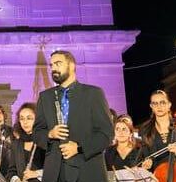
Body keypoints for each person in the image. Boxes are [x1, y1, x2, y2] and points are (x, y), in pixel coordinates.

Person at [32, 50, 114, 182]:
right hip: (56, 172)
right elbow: (36, 133)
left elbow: (106, 134)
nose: (53, 68)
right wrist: (50, 134)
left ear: (72, 65)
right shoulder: (45, 97)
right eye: (51, 65)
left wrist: (79, 148)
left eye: (58, 63)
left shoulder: (93, 93)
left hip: (87, 170)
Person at [138, 90, 176, 171]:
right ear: (151, 106)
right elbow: (144, 157)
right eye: (155, 103)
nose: (159, 106)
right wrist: (146, 164)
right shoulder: (145, 130)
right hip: (156, 176)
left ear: (169, 105)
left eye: (162, 102)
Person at [2, 103, 46, 182]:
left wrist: (36, 173)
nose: (25, 122)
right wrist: (16, 180)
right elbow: (11, 171)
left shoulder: (46, 141)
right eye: (22, 118)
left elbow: (55, 168)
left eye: (29, 118)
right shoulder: (16, 144)